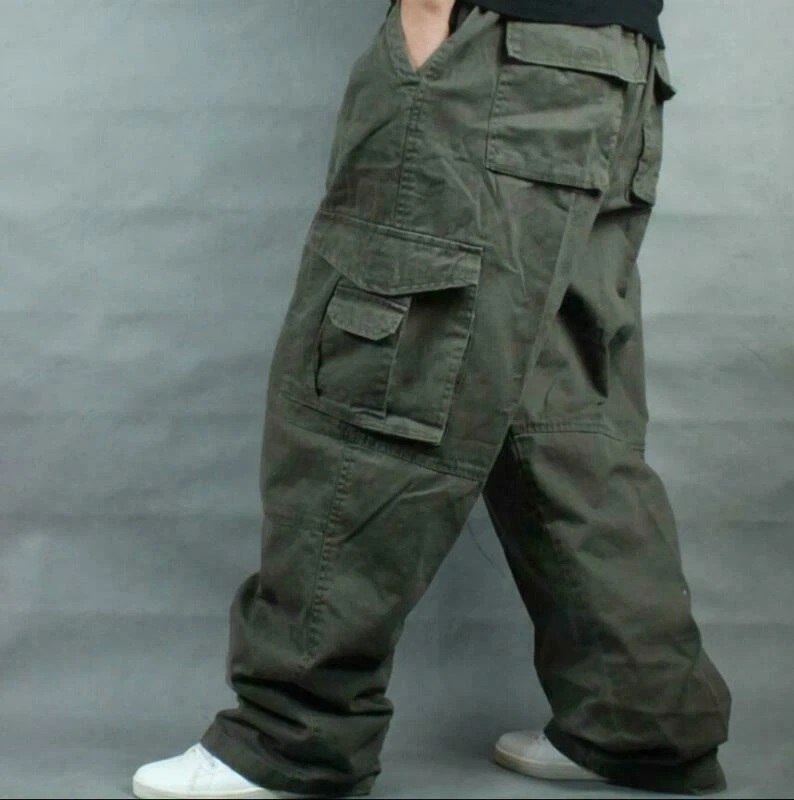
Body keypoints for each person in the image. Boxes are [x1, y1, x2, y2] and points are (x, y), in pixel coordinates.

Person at [132, 0, 732, 797]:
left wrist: (422, 25)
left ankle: (293, 735)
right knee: (562, 415)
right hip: (615, 64)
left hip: (500, 53)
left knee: (379, 388)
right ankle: (641, 719)